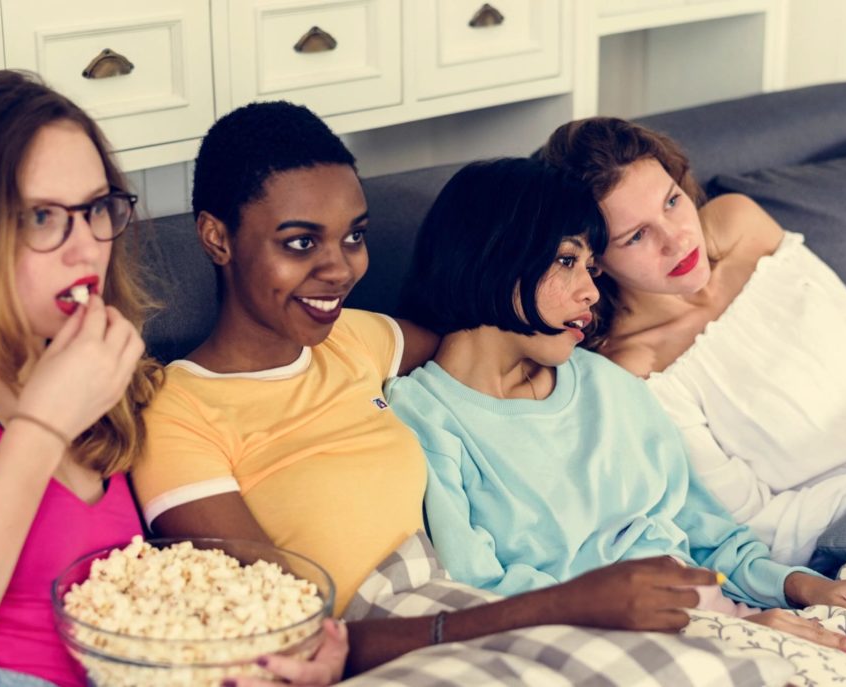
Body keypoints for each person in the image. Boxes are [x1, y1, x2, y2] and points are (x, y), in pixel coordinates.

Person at [130, 101, 743, 684]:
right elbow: (296, 633)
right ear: (216, 238)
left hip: (459, 600)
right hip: (389, 639)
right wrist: (571, 603)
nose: (340, 269)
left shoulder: (354, 339)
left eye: (353, 236)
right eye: (299, 242)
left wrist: (640, 334)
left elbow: (488, 314)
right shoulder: (177, 412)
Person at [0, 71, 303, 687]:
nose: (87, 248)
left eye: (96, 208)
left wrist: (274, 656)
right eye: (42, 217)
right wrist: (41, 426)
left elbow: (136, 620)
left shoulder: (92, 376)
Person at [386, 156, 846, 659]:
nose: (589, 292)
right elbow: (482, 591)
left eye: (590, 268)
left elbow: (714, 538)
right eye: (566, 261)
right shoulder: (426, 418)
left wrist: (805, 589)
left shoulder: (607, 385)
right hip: (630, 648)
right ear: (493, 254)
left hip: (735, 617)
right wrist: (718, 632)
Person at [535, 118, 846, 573]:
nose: (677, 237)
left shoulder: (741, 225)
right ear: (594, 261)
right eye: (637, 236)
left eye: (672, 201)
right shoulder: (637, 372)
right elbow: (757, 526)